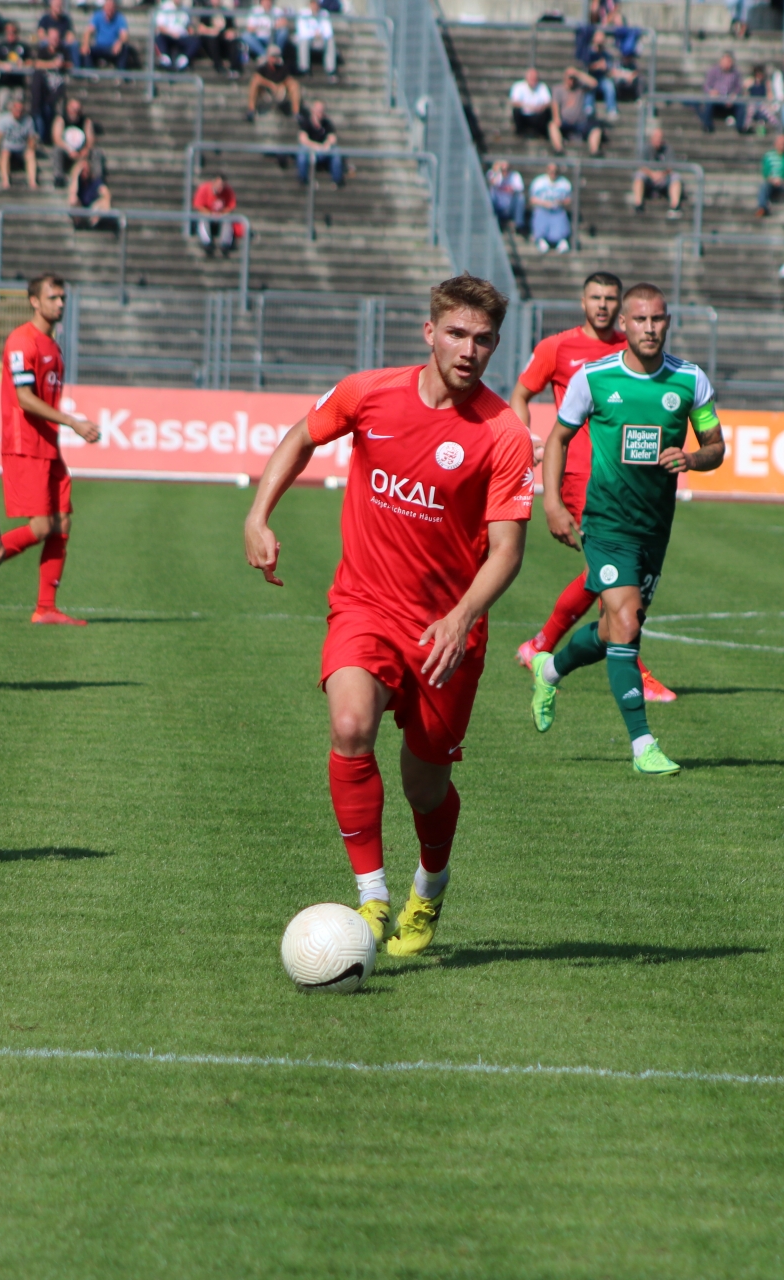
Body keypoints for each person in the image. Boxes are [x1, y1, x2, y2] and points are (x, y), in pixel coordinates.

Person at [243, 274, 533, 954]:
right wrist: (258, 514)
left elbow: (508, 551)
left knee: (425, 782)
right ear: (428, 332)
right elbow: (300, 436)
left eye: (483, 339)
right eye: (457, 334)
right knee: (349, 726)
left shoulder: (503, 433)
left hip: (446, 628)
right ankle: (372, 899)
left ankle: (429, 888)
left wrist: (462, 618)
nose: (469, 350)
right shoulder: (368, 393)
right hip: (364, 606)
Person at [530, 284, 725, 777]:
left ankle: (548, 668)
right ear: (626, 324)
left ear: (668, 321)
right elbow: (557, 440)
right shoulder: (594, 378)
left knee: (615, 628)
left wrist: (693, 458)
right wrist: (552, 502)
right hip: (606, 523)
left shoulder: (689, 381)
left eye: (657, 320)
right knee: (628, 626)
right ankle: (643, 746)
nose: (649, 328)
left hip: (654, 529)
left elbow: (716, 445)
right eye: (639, 320)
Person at [510, 272, 674, 704]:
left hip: (628, 483)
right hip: (583, 479)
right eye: (595, 298)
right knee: (617, 579)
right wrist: (524, 440)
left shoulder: (633, 350)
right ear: (583, 302)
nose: (602, 306)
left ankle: (540, 648)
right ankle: (634, 671)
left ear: (622, 311)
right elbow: (521, 395)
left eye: (610, 299)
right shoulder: (558, 348)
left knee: (602, 576)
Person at [0, 274, 100, 625]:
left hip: (48, 446)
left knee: (63, 522)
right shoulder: (22, 341)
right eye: (53, 297)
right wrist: (72, 421)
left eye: (63, 298)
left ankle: (46, 608)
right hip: (25, 445)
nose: (61, 304)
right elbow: (24, 398)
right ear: (34, 301)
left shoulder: (52, 344)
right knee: (40, 527)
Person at [630, 125, 682, 216]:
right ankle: (638, 204)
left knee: (676, 177)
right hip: (649, 177)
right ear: (652, 138)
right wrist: (652, 174)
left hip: (663, 178)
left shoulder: (667, 149)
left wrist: (662, 174)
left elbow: (671, 166)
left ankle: (675, 206)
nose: (658, 140)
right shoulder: (645, 148)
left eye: (660, 138)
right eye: (656, 137)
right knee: (638, 176)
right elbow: (641, 165)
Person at [0, 96, 39, 190]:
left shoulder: (28, 120)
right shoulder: (4, 120)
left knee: (31, 154)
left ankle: (32, 181)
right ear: (12, 109)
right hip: (7, 147)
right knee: (5, 153)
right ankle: (5, 181)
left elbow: (31, 138)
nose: (18, 112)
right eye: (16, 110)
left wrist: (32, 147)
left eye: (20, 110)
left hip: (21, 148)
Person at [295, 97, 343, 187]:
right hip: (310, 149)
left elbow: (332, 138)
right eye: (318, 110)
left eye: (321, 110)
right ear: (313, 110)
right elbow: (302, 139)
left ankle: (337, 181)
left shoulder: (327, 123)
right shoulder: (306, 122)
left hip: (323, 150)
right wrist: (316, 146)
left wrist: (326, 144)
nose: (319, 112)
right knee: (301, 152)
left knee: (336, 152)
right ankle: (303, 180)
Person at [554, 66, 603, 154]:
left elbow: (594, 83)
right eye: (570, 78)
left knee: (596, 129)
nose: (571, 81)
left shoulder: (580, 88)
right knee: (552, 126)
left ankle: (594, 150)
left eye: (573, 79)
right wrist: (556, 117)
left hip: (580, 122)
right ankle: (559, 149)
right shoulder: (558, 89)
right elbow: (554, 104)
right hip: (565, 122)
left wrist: (578, 73)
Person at [245, 42, 298, 119]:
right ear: (268, 57)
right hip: (266, 92)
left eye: (277, 56)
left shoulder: (283, 67)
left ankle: (296, 112)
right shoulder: (263, 67)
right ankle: (251, 110)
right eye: (273, 56)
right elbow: (256, 77)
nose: (275, 59)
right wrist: (270, 85)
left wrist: (281, 86)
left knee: (294, 84)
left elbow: (289, 79)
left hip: (281, 92)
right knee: (254, 83)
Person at [192, 171, 241, 254]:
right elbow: (198, 206)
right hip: (208, 216)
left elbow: (231, 206)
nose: (220, 188)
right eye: (219, 185)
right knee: (203, 218)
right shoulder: (204, 188)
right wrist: (210, 214)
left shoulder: (228, 191)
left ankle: (225, 244)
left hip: (220, 217)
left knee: (227, 219)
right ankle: (206, 242)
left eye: (222, 185)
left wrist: (221, 213)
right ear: (213, 182)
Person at [529, 161, 572, 253]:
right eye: (551, 171)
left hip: (557, 210)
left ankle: (562, 241)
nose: (553, 174)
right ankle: (540, 240)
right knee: (538, 214)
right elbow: (532, 200)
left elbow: (569, 200)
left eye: (555, 171)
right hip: (543, 209)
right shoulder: (539, 182)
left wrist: (560, 202)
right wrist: (544, 203)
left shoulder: (564, 183)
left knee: (561, 216)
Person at [697, 51, 743, 133]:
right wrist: (712, 92)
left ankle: (740, 127)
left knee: (741, 104)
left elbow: (738, 88)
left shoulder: (735, 73)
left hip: (729, 99)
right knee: (708, 102)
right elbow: (706, 86)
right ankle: (707, 126)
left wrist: (734, 95)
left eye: (729, 62)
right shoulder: (713, 71)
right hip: (716, 98)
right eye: (726, 61)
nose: (727, 64)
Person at [66, 151, 111, 226]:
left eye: (86, 169)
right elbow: (72, 195)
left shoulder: (95, 181)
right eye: (83, 170)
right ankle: (78, 223)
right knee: (73, 200)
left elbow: (105, 192)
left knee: (104, 201)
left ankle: (95, 223)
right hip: (81, 208)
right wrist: (76, 175)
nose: (85, 172)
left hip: (92, 209)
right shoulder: (77, 182)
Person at [509, 66, 552, 141]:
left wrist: (541, 107)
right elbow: (514, 102)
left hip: (537, 115)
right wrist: (528, 106)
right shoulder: (518, 86)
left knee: (547, 112)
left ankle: (541, 133)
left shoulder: (542, 87)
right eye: (531, 78)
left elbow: (548, 102)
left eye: (535, 78)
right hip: (524, 114)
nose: (533, 80)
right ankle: (520, 132)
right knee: (516, 111)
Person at [293, 0, 334, 78]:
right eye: (313, 3)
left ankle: (331, 70)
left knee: (330, 41)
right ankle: (304, 69)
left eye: (317, 4)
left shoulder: (324, 13)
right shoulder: (303, 13)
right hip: (307, 39)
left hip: (320, 40)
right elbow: (302, 32)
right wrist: (314, 33)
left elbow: (328, 32)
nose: (315, 6)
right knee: (303, 41)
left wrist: (320, 34)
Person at [83, 0, 130, 69]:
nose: (109, 10)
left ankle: (121, 75)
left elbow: (124, 35)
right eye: (108, 7)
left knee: (124, 48)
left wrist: (119, 42)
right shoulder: (97, 16)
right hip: (99, 47)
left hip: (112, 49)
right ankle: (89, 74)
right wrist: (85, 43)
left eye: (111, 8)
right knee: (87, 50)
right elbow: (88, 31)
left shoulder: (120, 18)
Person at [153, 0, 198, 71]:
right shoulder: (164, 7)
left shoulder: (184, 8)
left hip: (181, 35)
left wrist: (191, 31)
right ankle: (165, 60)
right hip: (167, 34)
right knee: (159, 37)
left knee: (195, 41)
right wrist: (171, 33)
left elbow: (188, 25)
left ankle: (183, 60)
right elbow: (160, 26)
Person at [54, 96, 93, 175]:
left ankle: (97, 179)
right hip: (66, 151)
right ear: (67, 108)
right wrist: (69, 150)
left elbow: (90, 140)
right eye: (73, 109)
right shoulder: (61, 120)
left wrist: (85, 150)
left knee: (96, 152)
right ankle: (58, 176)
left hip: (81, 151)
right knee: (57, 150)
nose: (75, 111)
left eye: (77, 109)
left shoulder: (85, 121)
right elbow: (57, 139)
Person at [488, 158, 526, 233]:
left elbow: (519, 189)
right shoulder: (492, 174)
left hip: (510, 206)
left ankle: (518, 225)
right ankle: (493, 222)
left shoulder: (515, 176)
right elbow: (492, 183)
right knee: (491, 195)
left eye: (507, 169)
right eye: (503, 169)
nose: (505, 171)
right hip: (497, 205)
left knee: (520, 198)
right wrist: (497, 172)